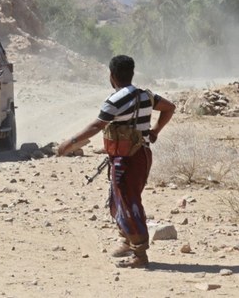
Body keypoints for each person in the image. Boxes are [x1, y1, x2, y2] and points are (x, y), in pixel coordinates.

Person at [57, 55, 175, 269]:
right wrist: (155, 131)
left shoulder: (115, 100)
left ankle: (140, 254)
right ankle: (127, 242)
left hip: (128, 159)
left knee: (129, 202)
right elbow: (169, 107)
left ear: (111, 76)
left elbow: (96, 126)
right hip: (141, 155)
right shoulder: (145, 95)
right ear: (131, 73)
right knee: (121, 199)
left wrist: (70, 143)